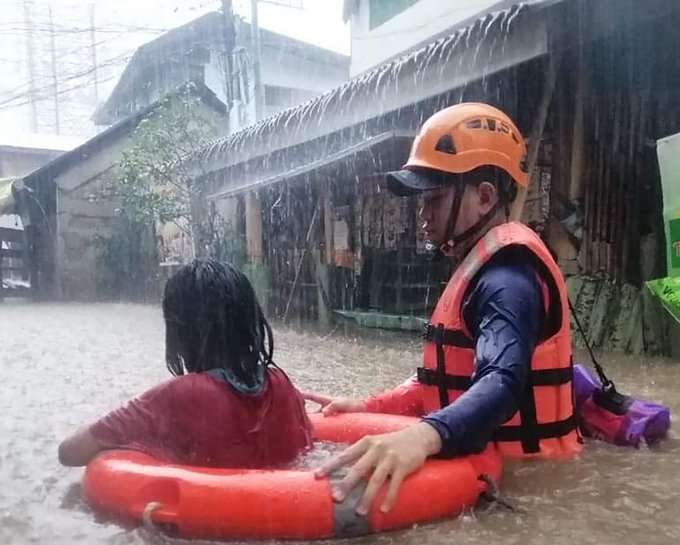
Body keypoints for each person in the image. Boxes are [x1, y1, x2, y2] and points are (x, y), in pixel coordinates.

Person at [310, 102, 581, 515]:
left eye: (434, 200)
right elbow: (442, 383)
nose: (423, 215)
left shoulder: (507, 281)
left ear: (485, 197)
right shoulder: (479, 268)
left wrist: (422, 437)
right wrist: (369, 406)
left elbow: (502, 381)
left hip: (529, 490)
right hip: (496, 473)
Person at [58, 259, 312, 468]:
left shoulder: (183, 394)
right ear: (251, 321)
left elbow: (69, 453)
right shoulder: (282, 385)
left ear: (179, 332)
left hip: (209, 524)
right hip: (282, 511)